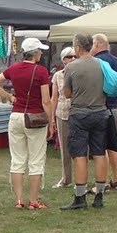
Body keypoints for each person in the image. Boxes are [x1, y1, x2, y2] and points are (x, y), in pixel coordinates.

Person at [0, 36, 54, 210]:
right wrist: (51, 121)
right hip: (34, 117)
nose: (41, 53)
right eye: (40, 51)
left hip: (16, 116)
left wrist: (10, 97)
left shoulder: (14, 68)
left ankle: (19, 199)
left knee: (17, 159)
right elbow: (46, 101)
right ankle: (34, 200)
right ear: (35, 53)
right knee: (36, 159)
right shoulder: (41, 72)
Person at [61, 32, 113, 212]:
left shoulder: (71, 67)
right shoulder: (102, 64)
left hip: (80, 114)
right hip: (100, 112)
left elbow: (67, 93)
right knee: (99, 153)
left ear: (77, 47)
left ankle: (80, 196)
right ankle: (99, 194)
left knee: (80, 155)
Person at [90, 34, 117, 189]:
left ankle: (103, 180)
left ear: (97, 44)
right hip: (113, 105)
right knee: (113, 144)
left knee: (101, 144)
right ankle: (116, 179)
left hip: (100, 105)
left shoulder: (97, 62)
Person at [50, 46, 77, 188]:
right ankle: (66, 178)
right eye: (69, 56)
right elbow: (54, 98)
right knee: (65, 148)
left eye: (74, 56)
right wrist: (52, 118)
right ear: (63, 60)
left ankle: (80, 179)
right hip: (62, 112)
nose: (72, 59)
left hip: (77, 112)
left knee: (79, 147)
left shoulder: (80, 73)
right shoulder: (57, 75)